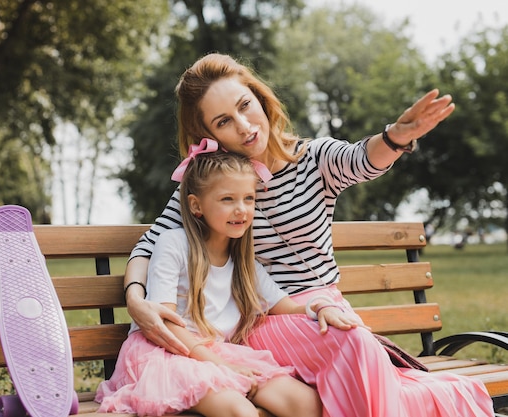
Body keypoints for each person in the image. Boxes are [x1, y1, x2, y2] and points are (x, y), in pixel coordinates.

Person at [124, 53, 494, 416]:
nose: (243, 124)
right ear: (209, 134)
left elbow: (362, 160)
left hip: (320, 310)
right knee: (354, 343)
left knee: (371, 358)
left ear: (260, 98)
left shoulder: (315, 159)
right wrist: (136, 299)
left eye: (245, 105)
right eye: (224, 121)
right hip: (265, 320)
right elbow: (147, 247)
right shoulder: (209, 187)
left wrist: (396, 138)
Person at [97, 145, 337, 417]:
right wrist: (220, 364)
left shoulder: (245, 265)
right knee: (241, 412)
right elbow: (163, 324)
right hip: (167, 353)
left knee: (305, 404)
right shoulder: (173, 244)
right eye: (227, 199)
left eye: (249, 198)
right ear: (196, 205)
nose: (241, 209)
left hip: (218, 354)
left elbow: (289, 306)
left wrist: (320, 305)